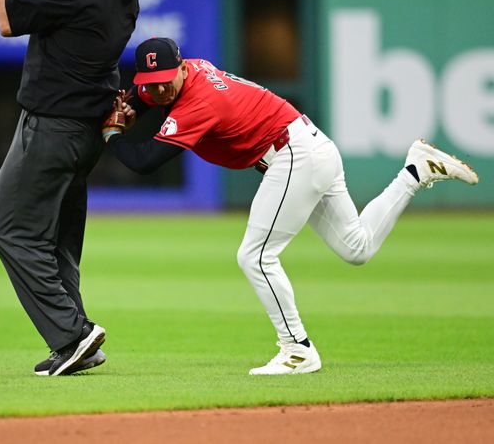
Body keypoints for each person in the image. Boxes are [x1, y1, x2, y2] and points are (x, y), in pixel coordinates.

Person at [103, 37, 479, 375]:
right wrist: (133, 103)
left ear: (184, 68)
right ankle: (415, 171)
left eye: (167, 77)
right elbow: (149, 95)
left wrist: (113, 133)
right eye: (150, 82)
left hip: (293, 155)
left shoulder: (200, 102)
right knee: (357, 248)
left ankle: (297, 349)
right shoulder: (189, 73)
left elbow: (145, 161)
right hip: (309, 148)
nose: (159, 88)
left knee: (255, 257)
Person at [0, 0, 139, 377]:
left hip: (51, 130)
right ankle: (78, 342)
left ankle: (72, 334)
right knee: (58, 242)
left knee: (10, 231)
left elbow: (8, 21)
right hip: (87, 135)